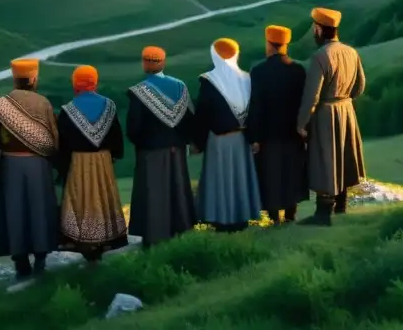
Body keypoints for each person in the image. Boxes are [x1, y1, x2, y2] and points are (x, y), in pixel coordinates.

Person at [0, 59, 60, 280]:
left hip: (10, 165)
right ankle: (41, 260)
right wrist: (57, 165)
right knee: (40, 210)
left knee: (14, 213)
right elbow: (54, 140)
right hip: (39, 165)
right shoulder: (43, 103)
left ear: (15, 79)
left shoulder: (3, 104)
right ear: (34, 79)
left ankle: (21, 264)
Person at [297, 8, 367, 226]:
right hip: (346, 110)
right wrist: (346, 100)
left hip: (326, 113)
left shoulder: (320, 56)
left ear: (319, 29)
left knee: (325, 159)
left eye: (314, 30)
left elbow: (312, 96)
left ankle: (322, 214)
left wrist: (301, 124)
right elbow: (360, 86)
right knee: (343, 157)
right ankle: (341, 207)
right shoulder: (351, 52)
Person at [55, 65, 128, 263]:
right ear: (94, 82)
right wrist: (112, 156)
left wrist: (62, 168)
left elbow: (62, 144)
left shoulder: (68, 110)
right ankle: (106, 238)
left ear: (75, 83)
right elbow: (116, 136)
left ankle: (84, 242)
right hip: (103, 160)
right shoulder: (109, 105)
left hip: (78, 161)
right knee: (103, 198)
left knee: (81, 199)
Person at [126, 46, 197, 248]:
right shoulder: (180, 86)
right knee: (177, 190)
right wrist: (181, 141)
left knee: (153, 193)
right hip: (176, 150)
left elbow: (134, 127)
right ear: (163, 63)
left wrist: (142, 145)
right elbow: (189, 119)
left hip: (151, 152)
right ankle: (181, 230)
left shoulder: (139, 92)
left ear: (145, 63)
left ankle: (154, 237)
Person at [193, 38, 261, 232]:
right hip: (242, 139)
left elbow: (202, 114)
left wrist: (198, 142)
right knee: (240, 178)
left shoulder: (209, 81)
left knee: (221, 179)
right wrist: (255, 138)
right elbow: (255, 111)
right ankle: (241, 218)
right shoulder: (247, 78)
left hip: (219, 141)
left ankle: (222, 220)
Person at [248, 25, 309, 224]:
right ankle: (291, 214)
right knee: (292, 172)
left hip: (269, 134)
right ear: (285, 44)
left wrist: (255, 137)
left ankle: (274, 216)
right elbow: (305, 103)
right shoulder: (299, 70)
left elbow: (256, 106)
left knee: (270, 173)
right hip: (293, 132)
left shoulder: (258, 71)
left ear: (270, 45)